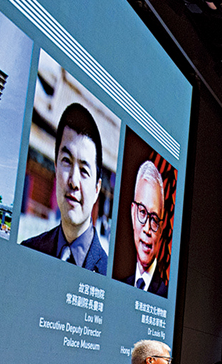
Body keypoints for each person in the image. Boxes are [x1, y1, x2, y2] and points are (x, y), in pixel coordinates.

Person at [22, 104, 109, 273]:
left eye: (84, 171)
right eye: (67, 161)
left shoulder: (107, 275)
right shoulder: (28, 250)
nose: (73, 181)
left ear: (97, 189)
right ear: (56, 167)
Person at [119, 160, 169, 295]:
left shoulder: (165, 294)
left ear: (161, 228)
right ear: (133, 214)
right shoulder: (120, 287)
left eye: (154, 219)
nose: (147, 229)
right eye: (142, 212)